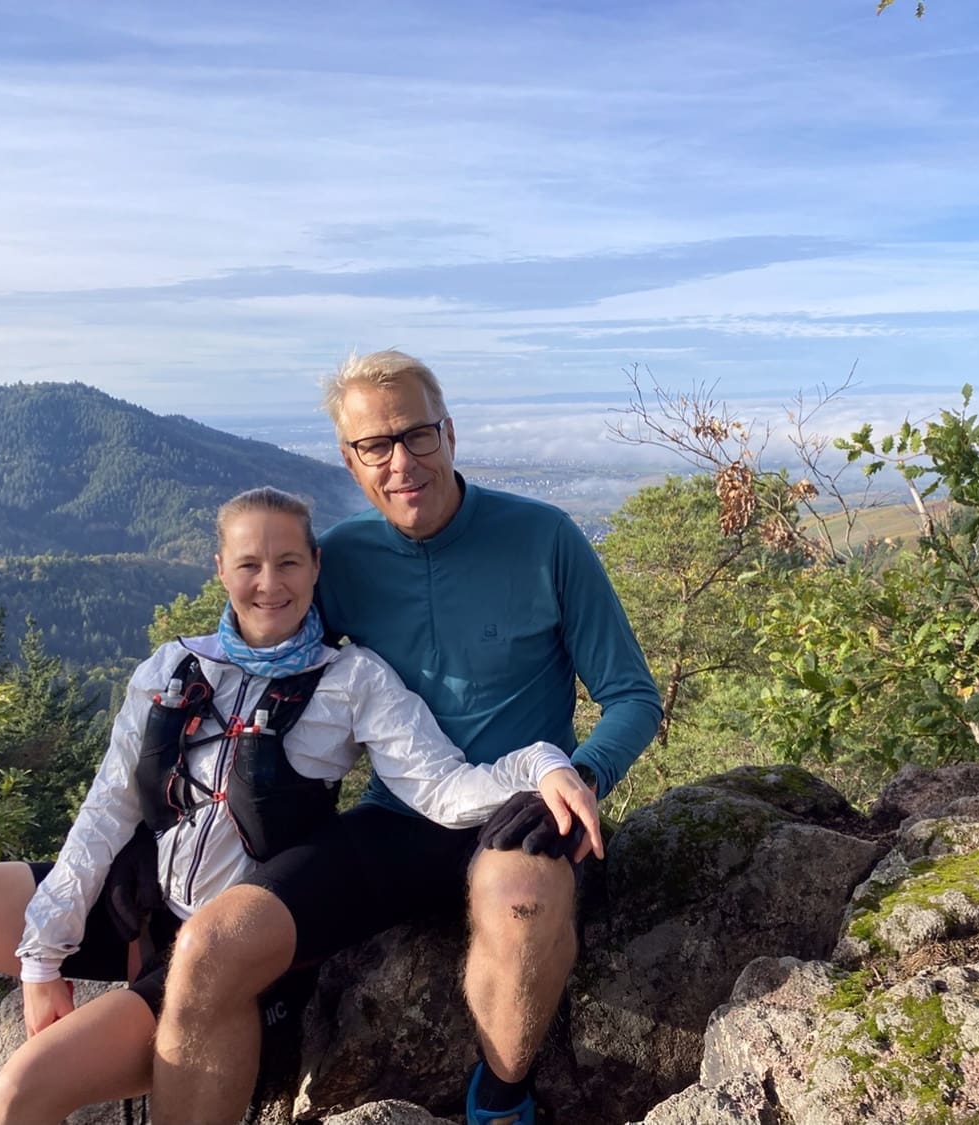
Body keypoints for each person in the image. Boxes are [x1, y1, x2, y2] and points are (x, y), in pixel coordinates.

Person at [0, 486, 599, 1125]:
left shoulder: (352, 679)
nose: (270, 582)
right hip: (140, 901)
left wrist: (541, 764)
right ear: (219, 569)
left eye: (289, 562)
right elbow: (104, 813)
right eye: (249, 563)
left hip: (226, 951)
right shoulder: (173, 668)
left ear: (316, 566)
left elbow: (439, 786)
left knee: (19, 1092)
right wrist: (44, 954)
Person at [150, 352, 661, 1125]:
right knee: (213, 944)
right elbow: (267, 660)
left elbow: (629, 694)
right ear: (349, 460)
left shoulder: (544, 538)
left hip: (518, 810)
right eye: (373, 446)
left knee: (519, 895)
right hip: (394, 819)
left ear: (448, 433)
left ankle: (500, 1096)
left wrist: (583, 775)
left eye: (416, 435)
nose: (400, 462)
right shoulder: (343, 560)